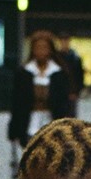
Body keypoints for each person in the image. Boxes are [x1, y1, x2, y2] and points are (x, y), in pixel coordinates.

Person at [8, 31, 72, 163]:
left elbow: (64, 103)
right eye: (37, 47)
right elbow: (16, 102)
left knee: (51, 158)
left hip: (52, 121)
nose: (41, 51)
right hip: (29, 122)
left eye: (44, 47)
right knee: (32, 159)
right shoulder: (24, 73)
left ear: (50, 50)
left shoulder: (58, 73)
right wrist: (13, 131)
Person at [56, 33, 85, 117]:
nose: (64, 43)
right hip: (58, 91)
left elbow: (79, 76)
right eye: (62, 41)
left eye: (66, 41)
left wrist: (76, 91)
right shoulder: (56, 57)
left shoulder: (75, 58)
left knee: (71, 116)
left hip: (71, 92)